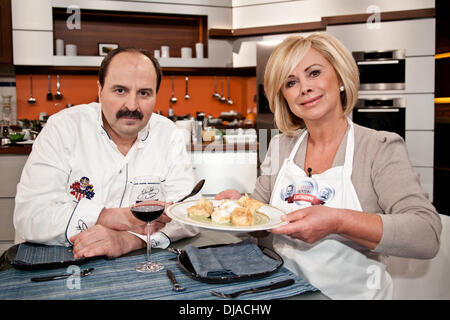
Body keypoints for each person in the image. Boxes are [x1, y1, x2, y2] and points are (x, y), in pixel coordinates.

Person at [216, 33, 442, 299]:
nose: (304, 88)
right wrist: (239, 207)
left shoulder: (378, 147)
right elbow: (262, 222)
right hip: (282, 293)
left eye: (314, 73)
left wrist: (338, 221)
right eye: (291, 82)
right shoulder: (280, 146)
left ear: (340, 77)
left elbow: (426, 235)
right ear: (284, 97)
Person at [14, 47, 199, 259]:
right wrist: (104, 217)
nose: (131, 105)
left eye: (144, 93)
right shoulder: (63, 128)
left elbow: (188, 214)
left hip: (139, 263)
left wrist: (130, 240)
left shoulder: (168, 134)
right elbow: (30, 215)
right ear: (100, 90)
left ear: (156, 95)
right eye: (120, 90)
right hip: (54, 262)